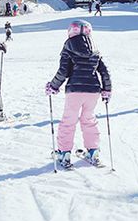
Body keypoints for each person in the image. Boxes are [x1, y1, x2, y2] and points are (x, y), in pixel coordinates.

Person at [45, 21, 112, 169]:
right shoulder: (95, 48)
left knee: (69, 121)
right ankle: (93, 151)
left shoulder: (69, 46)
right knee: (89, 119)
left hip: (75, 90)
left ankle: (64, 153)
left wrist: (53, 86)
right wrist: (107, 89)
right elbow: (104, 71)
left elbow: (64, 71)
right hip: (93, 91)